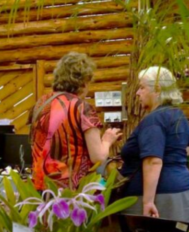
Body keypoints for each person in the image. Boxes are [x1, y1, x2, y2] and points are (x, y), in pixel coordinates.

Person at [120, 66, 189, 229]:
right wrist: (173, 160)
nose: (137, 93)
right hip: (182, 190)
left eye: (142, 87)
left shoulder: (154, 120)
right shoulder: (176, 114)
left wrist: (148, 201)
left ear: (157, 89)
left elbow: (153, 161)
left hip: (160, 197)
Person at [30, 52, 121, 190]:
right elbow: (98, 157)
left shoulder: (41, 104)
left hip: (40, 186)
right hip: (72, 190)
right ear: (83, 82)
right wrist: (107, 140)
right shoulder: (82, 108)